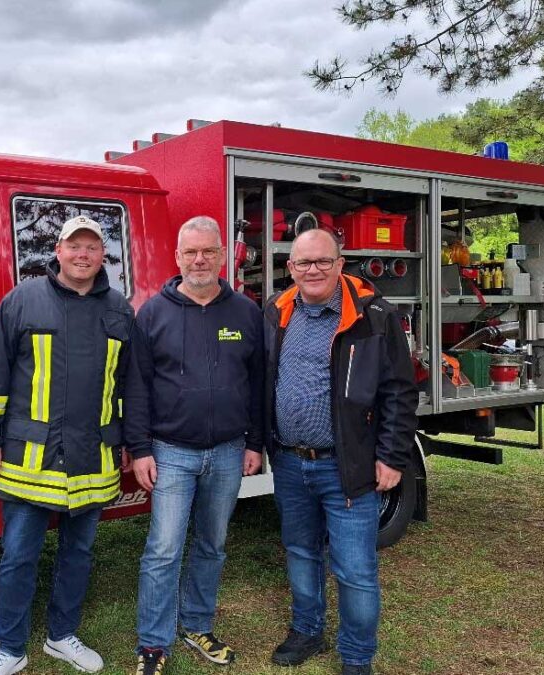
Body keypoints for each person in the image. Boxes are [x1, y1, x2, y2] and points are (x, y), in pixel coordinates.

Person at [0, 215, 134, 675]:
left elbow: (131, 386)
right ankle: (10, 647)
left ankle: (61, 636)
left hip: (92, 456)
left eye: (92, 247)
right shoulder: (21, 301)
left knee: (78, 554)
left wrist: (130, 441)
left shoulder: (120, 309)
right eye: (74, 246)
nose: (82, 255)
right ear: (58, 251)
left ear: (103, 255)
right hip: (30, 457)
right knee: (19, 555)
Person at [262, 229, 416, 675]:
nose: (312, 271)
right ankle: (307, 630)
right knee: (301, 551)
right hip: (290, 462)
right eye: (302, 263)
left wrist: (392, 457)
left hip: (348, 465)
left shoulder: (374, 316)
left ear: (340, 262)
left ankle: (356, 657)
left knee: (355, 570)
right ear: (289, 268)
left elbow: (399, 393)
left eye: (322, 262)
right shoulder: (276, 311)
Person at [124, 215, 265, 675]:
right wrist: (140, 448)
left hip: (228, 451)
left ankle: (198, 625)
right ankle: (153, 642)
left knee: (212, 543)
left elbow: (259, 383)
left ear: (223, 255)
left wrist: (255, 443)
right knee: (163, 548)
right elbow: (137, 386)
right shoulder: (153, 313)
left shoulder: (246, 312)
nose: (199, 260)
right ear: (177, 257)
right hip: (171, 452)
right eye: (191, 252)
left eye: (208, 251)